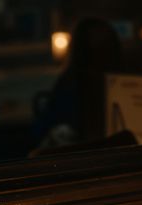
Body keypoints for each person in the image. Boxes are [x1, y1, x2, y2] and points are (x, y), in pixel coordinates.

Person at [31, 17, 123, 153]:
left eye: (106, 47)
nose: (103, 55)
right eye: (97, 48)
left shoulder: (119, 84)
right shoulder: (71, 85)